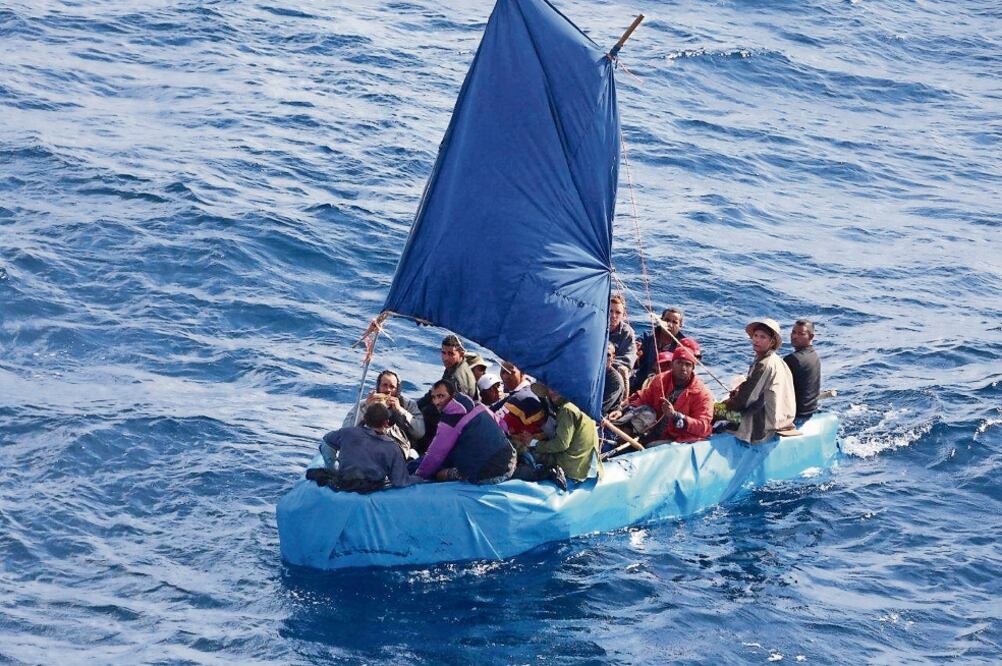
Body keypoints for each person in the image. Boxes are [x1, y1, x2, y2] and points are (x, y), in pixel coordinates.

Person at [415, 379, 516, 484]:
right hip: (510, 460)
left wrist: (418, 476)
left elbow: (435, 455)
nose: (436, 402)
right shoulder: (480, 406)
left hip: (488, 474)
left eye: (441, 396)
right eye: (434, 397)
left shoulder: (450, 421)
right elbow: (502, 425)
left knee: (439, 473)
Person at [611, 346, 713, 443]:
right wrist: (622, 411)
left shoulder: (702, 394)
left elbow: (704, 426)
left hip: (679, 440)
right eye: (679, 363)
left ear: (693, 368)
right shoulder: (660, 380)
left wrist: (675, 416)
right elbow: (644, 398)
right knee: (630, 425)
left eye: (688, 364)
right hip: (654, 431)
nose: (683, 368)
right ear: (672, 364)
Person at [311, 403, 420, 493]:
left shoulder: (348, 432)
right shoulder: (392, 447)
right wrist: (419, 478)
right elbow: (399, 481)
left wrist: (332, 468)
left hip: (344, 481)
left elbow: (326, 442)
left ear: (364, 418)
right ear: (386, 423)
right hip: (372, 487)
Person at [725, 318, 796, 444]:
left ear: (772, 341)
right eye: (755, 335)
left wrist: (727, 404)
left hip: (760, 425)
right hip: (780, 419)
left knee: (714, 410)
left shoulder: (764, 365)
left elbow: (744, 401)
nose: (756, 340)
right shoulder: (777, 360)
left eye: (762, 337)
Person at [514, 383, 599, 489]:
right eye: (550, 388)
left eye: (556, 387)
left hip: (573, 468)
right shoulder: (581, 403)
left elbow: (561, 444)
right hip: (584, 463)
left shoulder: (566, 409)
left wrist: (533, 442)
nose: (552, 392)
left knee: (528, 456)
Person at [415, 334, 479, 452]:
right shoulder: (457, 366)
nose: (445, 358)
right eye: (443, 353)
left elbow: (445, 411)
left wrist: (417, 411)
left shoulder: (455, 379)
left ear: (461, 354)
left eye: (451, 354)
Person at [342, 369, 424, 456]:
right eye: (384, 385)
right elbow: (346, 429)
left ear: (398, 390)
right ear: (378, 387)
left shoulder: (408, 405)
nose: (388, 390)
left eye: (392, 387)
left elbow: (420, 432)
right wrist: (366, 408)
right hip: (368, 447)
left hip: (399, 449)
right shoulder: (364, 404)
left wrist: (400, 410)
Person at [633, 307, 689, 392]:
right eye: (667, 320)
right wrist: (635, 355)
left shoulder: (683, 347)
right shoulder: (646, 338)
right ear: (661, 321)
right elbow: (634, 364)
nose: (670, 324)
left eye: (674, 322)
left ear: (680, 325)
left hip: (668, 389)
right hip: (641, 385)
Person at [493, 360, 548, 437]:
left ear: (523, 372)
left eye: (510, 372)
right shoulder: (524, 391)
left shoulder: (522, 399)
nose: (505, 376)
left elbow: (494, 427)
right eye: (503, 372)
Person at [784, 319, 821, 422]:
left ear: (811, 337)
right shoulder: (814, 356)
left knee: (738, 407)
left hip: (795, 415)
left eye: (801, 334)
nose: (795, 336)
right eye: (793, 332)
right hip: (810, 410)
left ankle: (735, 431)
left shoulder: (792, 360)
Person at [608, 294, 636, 392]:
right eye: (610, 311)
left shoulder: (627, 333)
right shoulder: (595, 326)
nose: (613, 316)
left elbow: (627, 360)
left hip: (612, 373)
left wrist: (606, 365)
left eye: (618, 312)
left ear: (624, 316)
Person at [602, 342, 625, 416]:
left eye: (608, 355)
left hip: (604, 417)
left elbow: (602, 407)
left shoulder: (615, 381)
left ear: (613, 358)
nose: (604, 357)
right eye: (602, 352)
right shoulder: (593, 374)